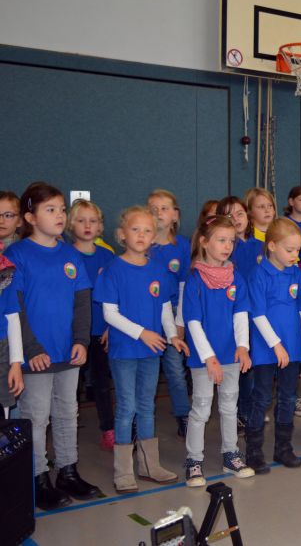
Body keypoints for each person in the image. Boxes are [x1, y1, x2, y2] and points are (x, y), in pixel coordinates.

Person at [5, 182, 101, 509]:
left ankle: (68, 471)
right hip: (36, 357)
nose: (59, 215)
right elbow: (13, 308)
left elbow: (82, 302)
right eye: (51, 210)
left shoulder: (70, 253)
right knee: (36, 417)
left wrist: (80, 340)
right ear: (30, 217)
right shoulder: (16, 255)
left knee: (67, 412)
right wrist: (31, 350)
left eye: (61, 209)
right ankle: (37, 478)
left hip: (67, 352)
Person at [94, 206, 187, 493]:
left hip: (152, 350)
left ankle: (149, 465)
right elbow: (110, 314)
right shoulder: (112, 270)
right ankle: (123, 471)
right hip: (125, 350)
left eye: (148, 230)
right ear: (122, 234)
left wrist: (172, 335)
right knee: (127, 407)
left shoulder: (158, 269)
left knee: (147, 406)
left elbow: (163, 309)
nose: (142, 235)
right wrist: (142, 333)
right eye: (136, 229)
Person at [181, 215, 255, 487]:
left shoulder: (236, 277)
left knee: (228, 406)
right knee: (201, 408)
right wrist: (208, 357)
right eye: (221, 240)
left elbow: (241, 315)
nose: (227, 246)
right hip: (204, 359)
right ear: (204, 242)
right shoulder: (195, 280)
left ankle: (230, 454)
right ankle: (194, 460)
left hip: (231, 356)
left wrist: (243, 347)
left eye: (231, 241)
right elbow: (193, 323)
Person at [246, 218, 301, 474]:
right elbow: (257, 314)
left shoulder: (296, 273)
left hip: (292, 347)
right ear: (271, 246)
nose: (295, 255)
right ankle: (254, 452)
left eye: (297, 250)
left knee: (288, 397)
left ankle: (283, 448)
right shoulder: (259, 274)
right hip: (266, 348)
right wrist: (276, 345)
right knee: (261, 398)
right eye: (290, 250)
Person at [67, 199, 117, 451]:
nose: (87, 225)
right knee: (69, 386)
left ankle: (108, 428)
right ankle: (65, 429)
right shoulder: (65, 255)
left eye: (93, 221)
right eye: (81, 220)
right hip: (72, 334)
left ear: (100, 226)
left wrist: (110, 328)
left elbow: (116, 294)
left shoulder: (107, 256)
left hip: (101, 331)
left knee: (101, 382)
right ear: (70, 224)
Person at [147, 189, 192, 438]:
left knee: (175, 369)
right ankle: (142, 417)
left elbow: (185, 285)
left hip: (174, 313)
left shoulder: (183, 246)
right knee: (148, 369)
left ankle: (183, 414)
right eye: (153, 209)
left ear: (175, 215)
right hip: (146, 315)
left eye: (164, 208)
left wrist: (180, 321)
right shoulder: (142, 245)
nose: (158, 213)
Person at [216, 196, 257, 431]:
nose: (236, 218)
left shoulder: (259, 245)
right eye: (229, 215)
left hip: (255, 316)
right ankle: (240, 413)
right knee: (238, 368)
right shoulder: (227, 249)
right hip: (233, 315)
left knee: (250, 367)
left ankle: (249, 409)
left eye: (240, 213)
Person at [0, 252, 24, 420]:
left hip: (2, 350)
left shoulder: (5, 268)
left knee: (3, 409)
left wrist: (15, 363)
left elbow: (12, 315)